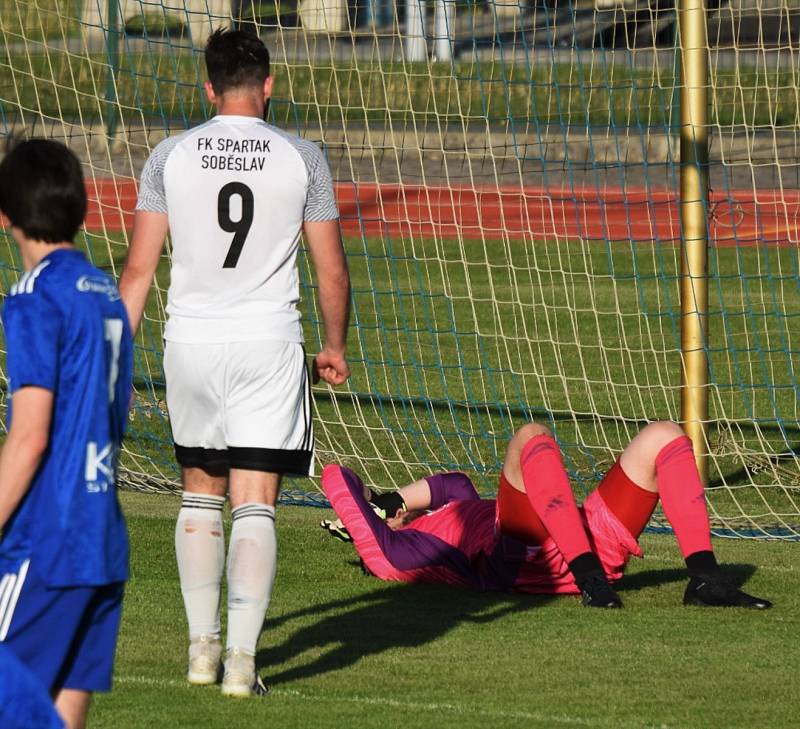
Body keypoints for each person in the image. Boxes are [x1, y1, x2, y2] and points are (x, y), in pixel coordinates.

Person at [119, 29, 351, 697]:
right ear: (269, 84)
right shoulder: (303, 156)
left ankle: (200, 651)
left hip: (190, 343)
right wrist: (334, 345)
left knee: (200, 486)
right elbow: (330, 269)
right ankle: (242, 664)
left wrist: (114, 360)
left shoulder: (170, 155)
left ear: (208, 87)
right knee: (256, 500)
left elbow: (138, 270)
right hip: (267, 342)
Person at [321, 421, 772, 609]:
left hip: (581, 534)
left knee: (665, 435)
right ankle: (589, 578)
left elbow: (450, 483)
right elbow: (336, 477)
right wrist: (374, 516)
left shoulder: (450, 506)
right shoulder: (397, 553)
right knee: (531, 435)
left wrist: (393, 500)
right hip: (525, 557)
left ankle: (706, 579)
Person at [0, 139, 134, 729]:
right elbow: (116, 409)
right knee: (62, 713)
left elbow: (30, 438)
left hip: (45, 542)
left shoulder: (34, 296)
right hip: (102, 538)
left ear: (6, 214)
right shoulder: (106, 294)